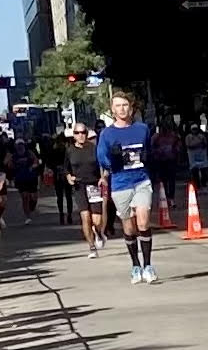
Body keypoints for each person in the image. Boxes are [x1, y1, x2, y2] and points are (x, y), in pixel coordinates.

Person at [96, 92, 158, 285]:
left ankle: (148, 265)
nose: (122, 109)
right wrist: (114, 160)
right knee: (129, 226)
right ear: (112, 110)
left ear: (130, 108)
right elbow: (102, 157)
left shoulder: (142, 129)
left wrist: (147, 157)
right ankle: (135, 265)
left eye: (125, 105)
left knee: (143, 220)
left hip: (141, 180)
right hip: (120, 183)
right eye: (118, 106)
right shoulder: (107, 134)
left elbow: (149, 150)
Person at [65, 122, 106, 258]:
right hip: (79, 186)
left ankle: (99, 233)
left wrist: (103, 177)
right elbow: (66, 168)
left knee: (97, 220)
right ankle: (92, 247)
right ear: (74, 135)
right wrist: (68, 177)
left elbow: (103, 164)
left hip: (94, 184)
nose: (80, 135)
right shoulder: (70, 150)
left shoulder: (94, 148)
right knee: (85, 217)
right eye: (77, 133)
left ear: (87, 134)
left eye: (83, 133)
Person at [6, 137, 40, 222]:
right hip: (20, 178)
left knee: (33, 197)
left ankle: (32, 207)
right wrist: (13, 167)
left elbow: (36, 161)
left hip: (31, 177)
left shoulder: (29, 153)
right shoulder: (14, 156)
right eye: (18, 145)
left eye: (21, 144)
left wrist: (33, 166)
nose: (20, 147)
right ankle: (27, 216)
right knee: (25, 196)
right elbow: (9, 165)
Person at [150, 119, 181, 203]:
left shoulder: (173, 136)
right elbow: (151, 147)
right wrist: (156, 153)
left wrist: (177, 154)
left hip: (171, 160)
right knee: (163, 179)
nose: (164, 129)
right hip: (160, 160)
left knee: (171, 179)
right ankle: (165, 196)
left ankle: (171, 197)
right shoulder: (156, 137)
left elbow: (178, 146)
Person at [49, 130, 74, 226]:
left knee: (60, 196)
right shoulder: (68, 150)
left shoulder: (54, 149)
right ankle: (68, 214)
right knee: (68, 196)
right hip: (65, 174)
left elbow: (49, 162)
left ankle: (62, 214)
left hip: (58, 175)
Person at [184, 122, 208, 189]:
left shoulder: (201, 136)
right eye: (193, 129)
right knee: (194, 172)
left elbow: (205, 144)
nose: (194, 130)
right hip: (193, 157)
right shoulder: (188, 137)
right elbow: (188, 145)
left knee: (203, 171)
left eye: (196, 129)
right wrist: (198, 144)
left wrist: (200, 143)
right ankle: (197, 185)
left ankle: (204, 184)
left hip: (202, 156)